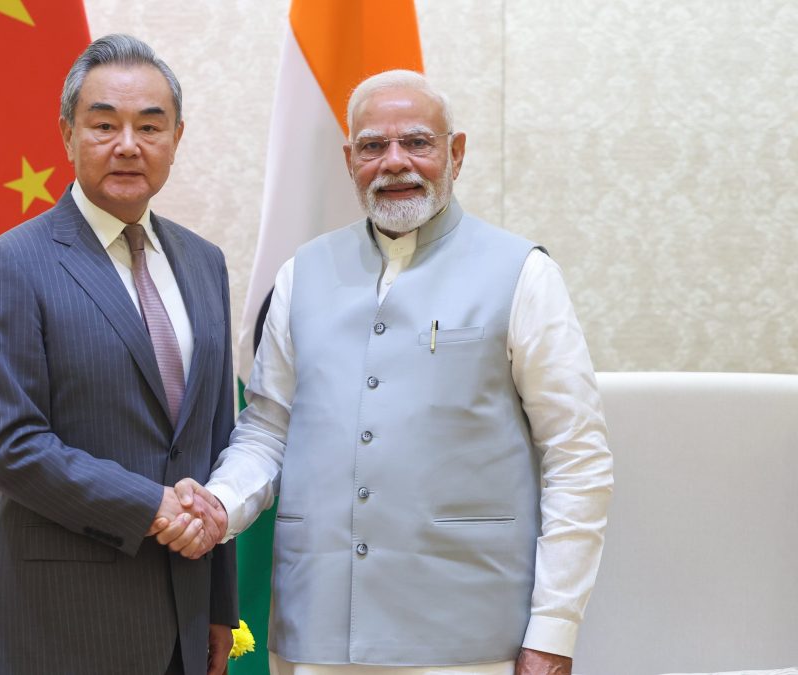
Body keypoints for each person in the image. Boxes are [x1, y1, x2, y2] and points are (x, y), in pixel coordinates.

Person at [160, 70, 614, 675]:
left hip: (470, 638)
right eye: (374, 146)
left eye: (418, 142)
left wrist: (555, 630)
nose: (395, 162)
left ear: (456, 152)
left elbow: (577, 454)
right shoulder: (302, 273)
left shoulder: (524, 273)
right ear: (351, 160)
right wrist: (219, 504)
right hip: (315, 630)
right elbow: (268, 430)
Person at [0, 34, 237, 675]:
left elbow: (213, 439)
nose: (127, 145)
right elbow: (9, 444)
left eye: (149, 125)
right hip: (64, 614)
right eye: (104, 124)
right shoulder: (11, 263)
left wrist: (221, 602)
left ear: (177, 137)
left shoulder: (204, 262)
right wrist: (152, 506)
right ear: (67, 134)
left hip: (186, 611)